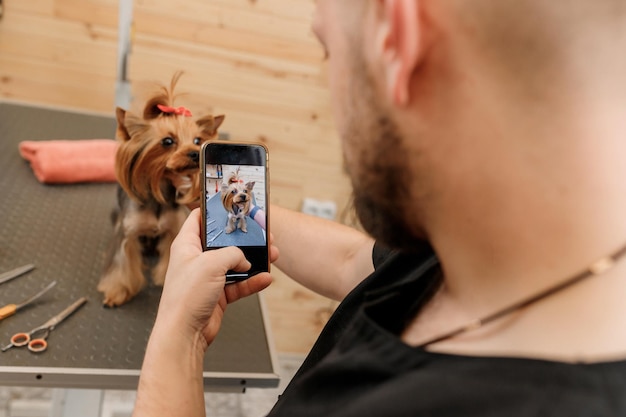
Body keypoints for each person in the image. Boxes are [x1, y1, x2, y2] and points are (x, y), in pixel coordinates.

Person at [132, 0, 626, 415]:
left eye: (328, 51)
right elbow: (357, 261)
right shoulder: (474, 248)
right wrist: (225, 204)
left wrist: (178, 340)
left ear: (397, 39)